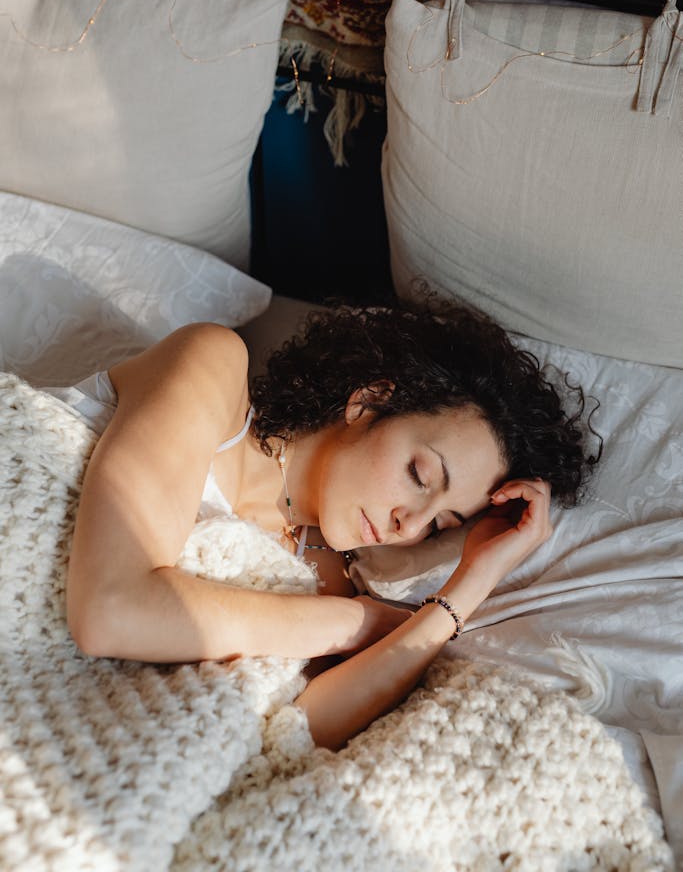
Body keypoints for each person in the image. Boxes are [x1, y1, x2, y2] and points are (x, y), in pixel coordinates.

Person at [64, 296, 598, 751]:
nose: (407, 526)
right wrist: (356, 621)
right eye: (418, 474)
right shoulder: (212, 366)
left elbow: (299, 733)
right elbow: (109, 611)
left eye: (439, 524)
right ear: (368, 402)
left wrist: (471, 582)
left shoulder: (325, 574)